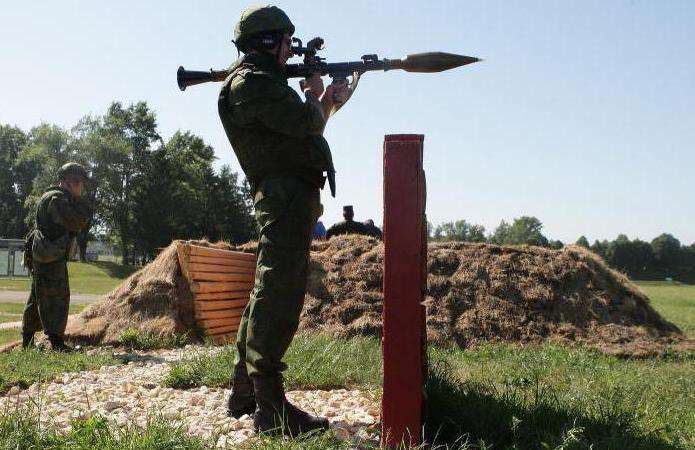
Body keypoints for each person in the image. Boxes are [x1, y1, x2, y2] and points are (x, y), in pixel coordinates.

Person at [217, 5, 352, 436]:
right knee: (280, 293)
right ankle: (270, 409)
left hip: (289, 195)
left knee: (268, 290)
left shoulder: (263, 83)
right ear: (268, 41)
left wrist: (328, 101)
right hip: (284, 197)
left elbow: (305, 129)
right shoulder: (252, 84)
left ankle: (245, 393)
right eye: (285, 42)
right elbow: (303, 120)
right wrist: (316, 95)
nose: (289, 50)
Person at [21, 163, 91, 352]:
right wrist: (80, 202)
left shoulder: (51, 196)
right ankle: (57, 343)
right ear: (71, 182)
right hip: (50, 256)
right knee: (56, 297)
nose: (81, 187)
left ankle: (26, 342)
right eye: (80, 183)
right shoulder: (57, 199)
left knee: (37, 298)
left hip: (44, 254)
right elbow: (77, 222)